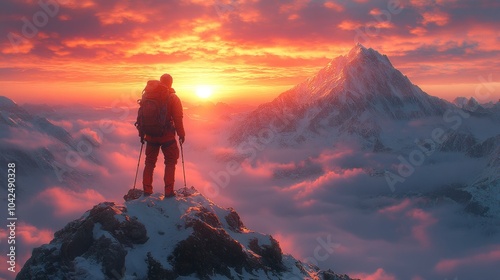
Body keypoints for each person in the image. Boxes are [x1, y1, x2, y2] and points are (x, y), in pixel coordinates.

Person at [141, 73, 185, 197]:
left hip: (150, 135)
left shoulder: (148, 96)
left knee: (149, 162)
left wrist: (142, 134)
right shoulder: (173, 98)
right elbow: (178, 117)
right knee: (170, 161)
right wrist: (181, 134)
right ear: (171, 83)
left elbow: (141, 116)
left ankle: (147, 190)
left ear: (160, 82)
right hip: (167, 136)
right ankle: (169, 191)